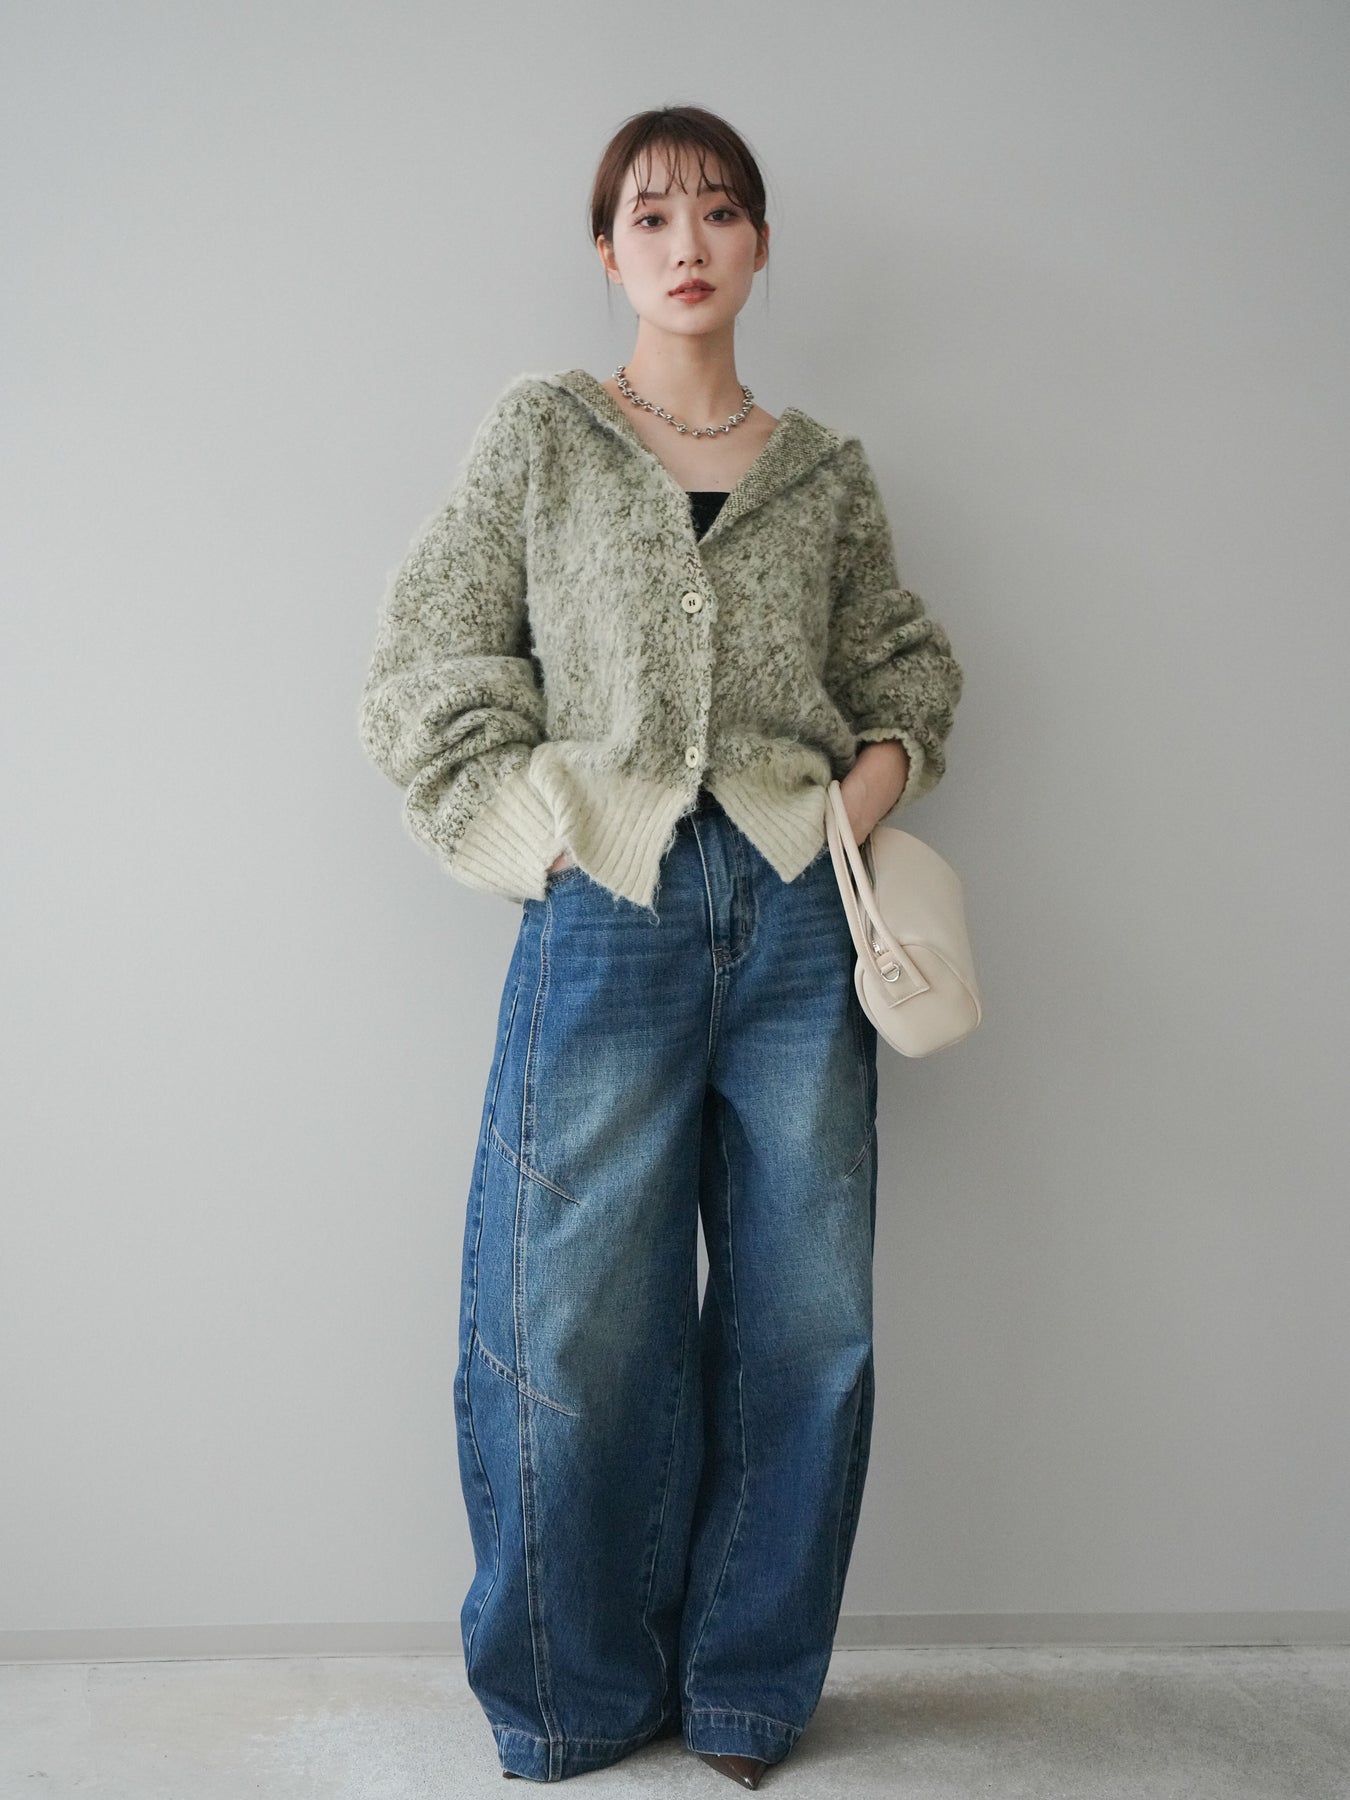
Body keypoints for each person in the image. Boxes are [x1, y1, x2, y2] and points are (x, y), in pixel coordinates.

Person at [359, 105, 964, 1788]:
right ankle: (569, 1696)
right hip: (603, 913)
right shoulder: (543, 436)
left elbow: (907, 670)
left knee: (801, 1319)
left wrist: (856, 801)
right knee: (565, 1320)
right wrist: (532, 834)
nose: (684, 241)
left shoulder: (824, 472)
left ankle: (749, 1694)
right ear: (606, 252)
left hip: (795, 915)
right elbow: (427, 662)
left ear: (758, 244)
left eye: (716, 210)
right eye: (649, 214)